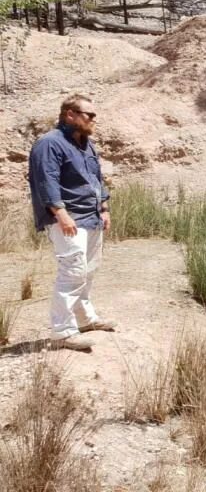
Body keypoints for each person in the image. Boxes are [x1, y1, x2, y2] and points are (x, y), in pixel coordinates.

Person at [27, 94, 117, 351]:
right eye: (89, 115)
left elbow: (96, 178)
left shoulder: (86, 144)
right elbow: (47, 181)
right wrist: (61, 214)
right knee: (72, 271)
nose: (93, 120)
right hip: (68, 219)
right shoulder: (49, 143)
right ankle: (63, 332)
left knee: (87, 271)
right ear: (70, 115)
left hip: (91, 217)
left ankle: (85, 319)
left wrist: (105, 207)